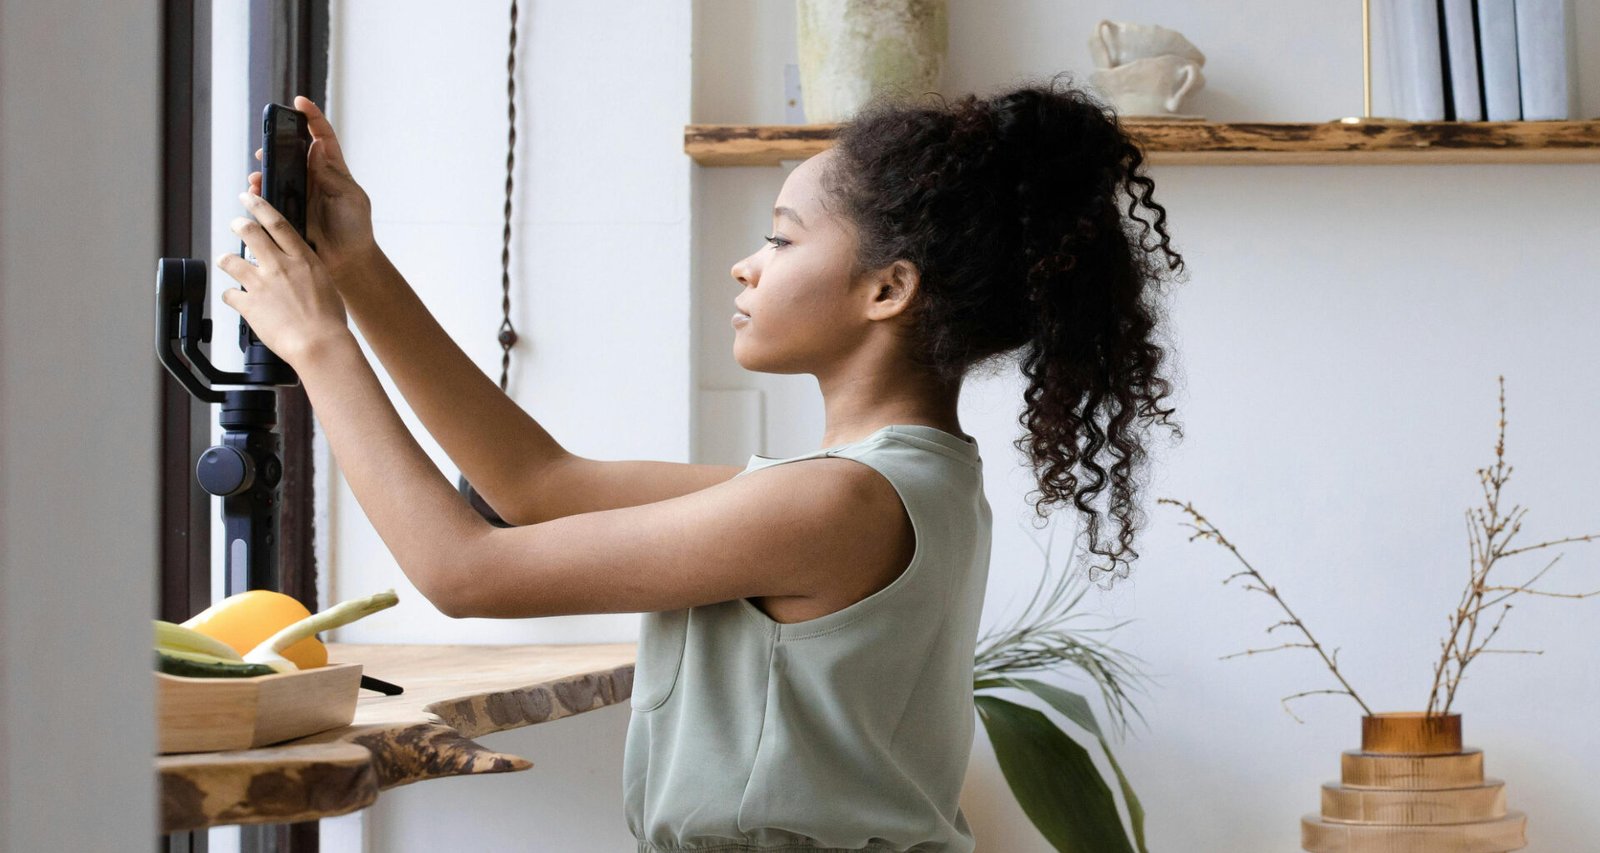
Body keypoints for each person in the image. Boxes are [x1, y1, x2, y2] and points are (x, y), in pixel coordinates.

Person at [218, 71, 1184, 852]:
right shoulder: (880, 484)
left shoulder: (834, 504)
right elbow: (537, 486)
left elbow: (463, 571)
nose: (747, 265)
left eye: (780, 237)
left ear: (889, 290)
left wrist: (321, 348)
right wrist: (358, 271)